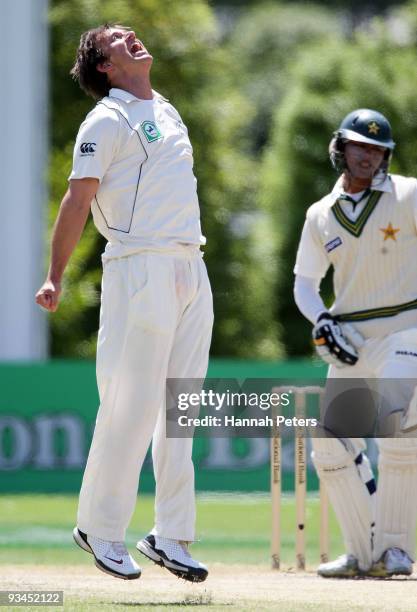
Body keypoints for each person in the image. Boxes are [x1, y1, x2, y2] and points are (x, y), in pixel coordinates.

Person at [36, 23, 213, 583]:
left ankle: (171, 534)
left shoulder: (166, 108)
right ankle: (100, 528)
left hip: (190, 263)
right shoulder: (104, 120)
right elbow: (77, 198)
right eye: (116, 38)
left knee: (181, 410)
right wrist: (55, 276)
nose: (131, 36)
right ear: (104, 66)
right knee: (130, 405)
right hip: (139, 267)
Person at [293, 108, 417, 578]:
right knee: (328, 443)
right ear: (339, 148)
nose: (368, 156)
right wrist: (322, 319)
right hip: (350, 336)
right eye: (359, 146)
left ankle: (397, 551)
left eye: (377, 148)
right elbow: (305, 284)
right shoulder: (320, 215)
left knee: (396, 425)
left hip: (408, 328)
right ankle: (364, 555)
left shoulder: (408, 194)